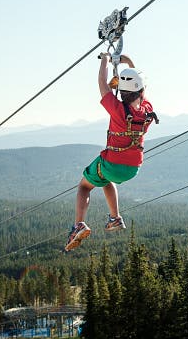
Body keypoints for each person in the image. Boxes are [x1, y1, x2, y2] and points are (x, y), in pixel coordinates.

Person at [65, 52, 158, 251]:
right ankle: (115, 217)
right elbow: (140, 86)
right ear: (141, 90)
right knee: (104, 178)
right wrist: (128, 62)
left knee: (84, 185)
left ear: (122, 91)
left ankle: (78, 225)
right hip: (133, 168)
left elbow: (102, 83)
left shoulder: (117, 110)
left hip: (112, 164)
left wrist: (105, 60)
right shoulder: (147, 111)